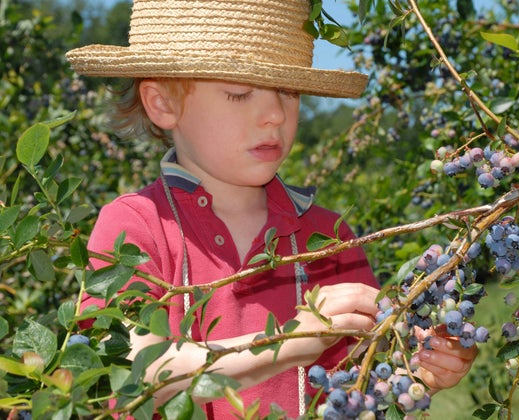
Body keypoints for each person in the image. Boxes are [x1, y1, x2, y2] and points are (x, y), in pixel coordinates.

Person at [66, 0, 477, 418]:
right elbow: (126, 373)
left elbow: (356, 387)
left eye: (288, 91)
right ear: (162, 104)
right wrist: (284, 345)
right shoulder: (135, 224)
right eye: (240, 93)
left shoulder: (328, 237)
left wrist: (418, 369)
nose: (275, 114)